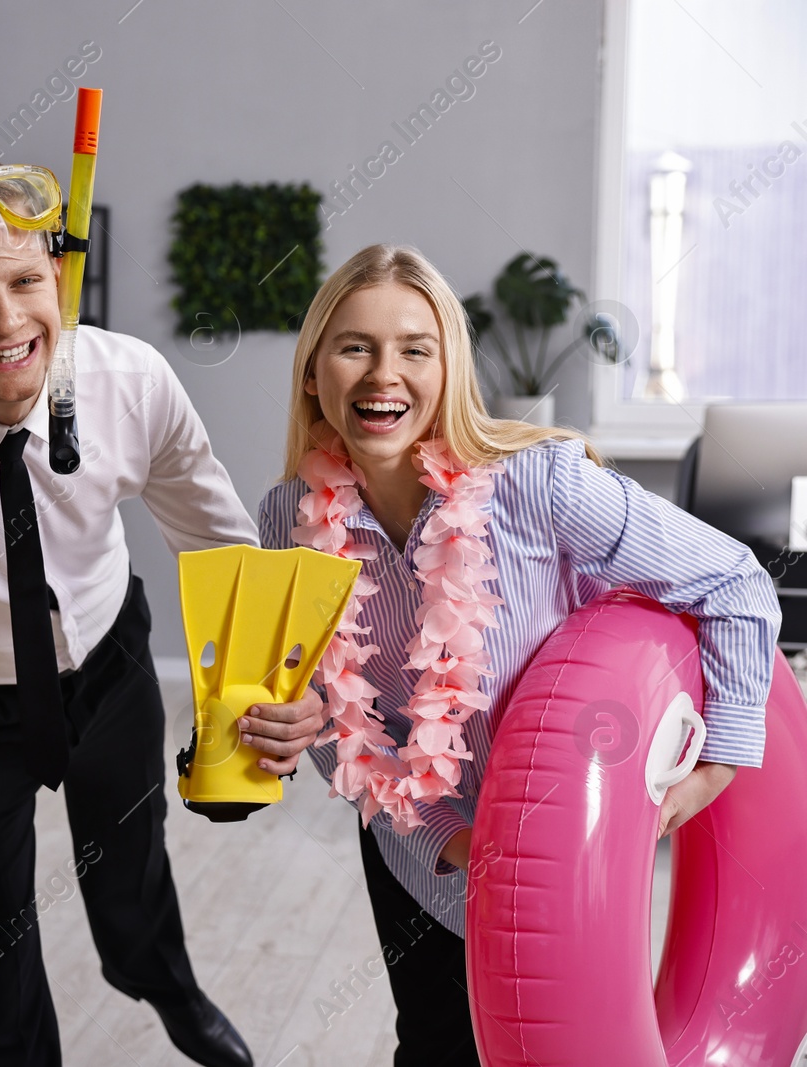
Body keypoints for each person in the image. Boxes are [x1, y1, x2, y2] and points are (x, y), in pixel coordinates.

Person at [0, 159, 324, 1067]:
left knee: (132, 882)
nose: (4, 322)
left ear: (60, 280)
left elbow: (220, 546)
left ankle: (167, 985)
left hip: (111, 664)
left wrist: (283, 691)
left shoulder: (134, 382)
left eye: (25, 282)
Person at [257, 243, 781, 1065]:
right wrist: (444, 834)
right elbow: (336, 723)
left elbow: (734, 580)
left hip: (565, 852)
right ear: (313, 374)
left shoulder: (537, 485)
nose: (381, 374)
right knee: (431, 1045)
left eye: (413, 349)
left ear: (448, 369)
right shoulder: (290, 517)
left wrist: (720, 762)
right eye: (354, 346)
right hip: (414, 848)